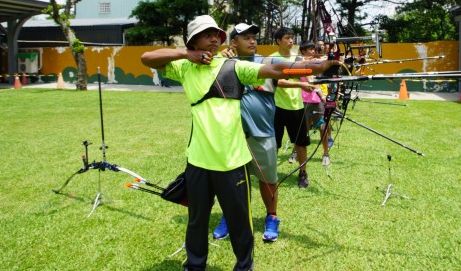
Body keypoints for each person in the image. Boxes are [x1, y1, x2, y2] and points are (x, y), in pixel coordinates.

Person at [141, 15, 338, 271]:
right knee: (197, 219)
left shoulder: (234, 66)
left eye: (216, 34)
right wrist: (186, 54)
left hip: (233, 161)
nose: (214, 38)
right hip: (198, 161)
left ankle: (244, 267)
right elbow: (147, 58)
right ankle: (195, 265)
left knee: (240, 222)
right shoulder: (183, 68)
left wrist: (320, 67)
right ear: (193, 41)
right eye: (206, 34)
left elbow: (277, 70)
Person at [212, 23, 282, 243]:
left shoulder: (268, 62)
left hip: (262, 132)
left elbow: (296, 67)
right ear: (233, 42)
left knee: (268, 179)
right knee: (233, 180)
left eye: (254, 37)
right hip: (231, 136)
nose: (252, 41)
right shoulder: (222, 63)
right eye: (246, 38)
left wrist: (324, 63)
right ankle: (231, 216)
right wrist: (218, 57)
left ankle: (272, 216)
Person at [271, 27, 316, 188]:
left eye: (292, 38)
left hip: (296, 107)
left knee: (301, 143)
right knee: (274, 143)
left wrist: (312, 73)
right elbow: (277, 81)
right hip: (276, 107)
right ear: (278, 41)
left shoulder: (297, 58)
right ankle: (271, 174)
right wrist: (300, 84)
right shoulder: (271, 59)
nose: (291, 41)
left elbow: (309, 74)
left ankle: (303, 172)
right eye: (287, 38)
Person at [299, 41, 331, 166]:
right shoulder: (299, 63)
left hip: (316, 101)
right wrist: (322, 95)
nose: (313, 51)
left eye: (313, 49)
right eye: (309, 49)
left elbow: (328, 60)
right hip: (303, 100)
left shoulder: (316, 62)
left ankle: (326, 153)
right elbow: (310, 79)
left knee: (322, 127)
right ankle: (297, 153)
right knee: (303, 129)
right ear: (303, 51)